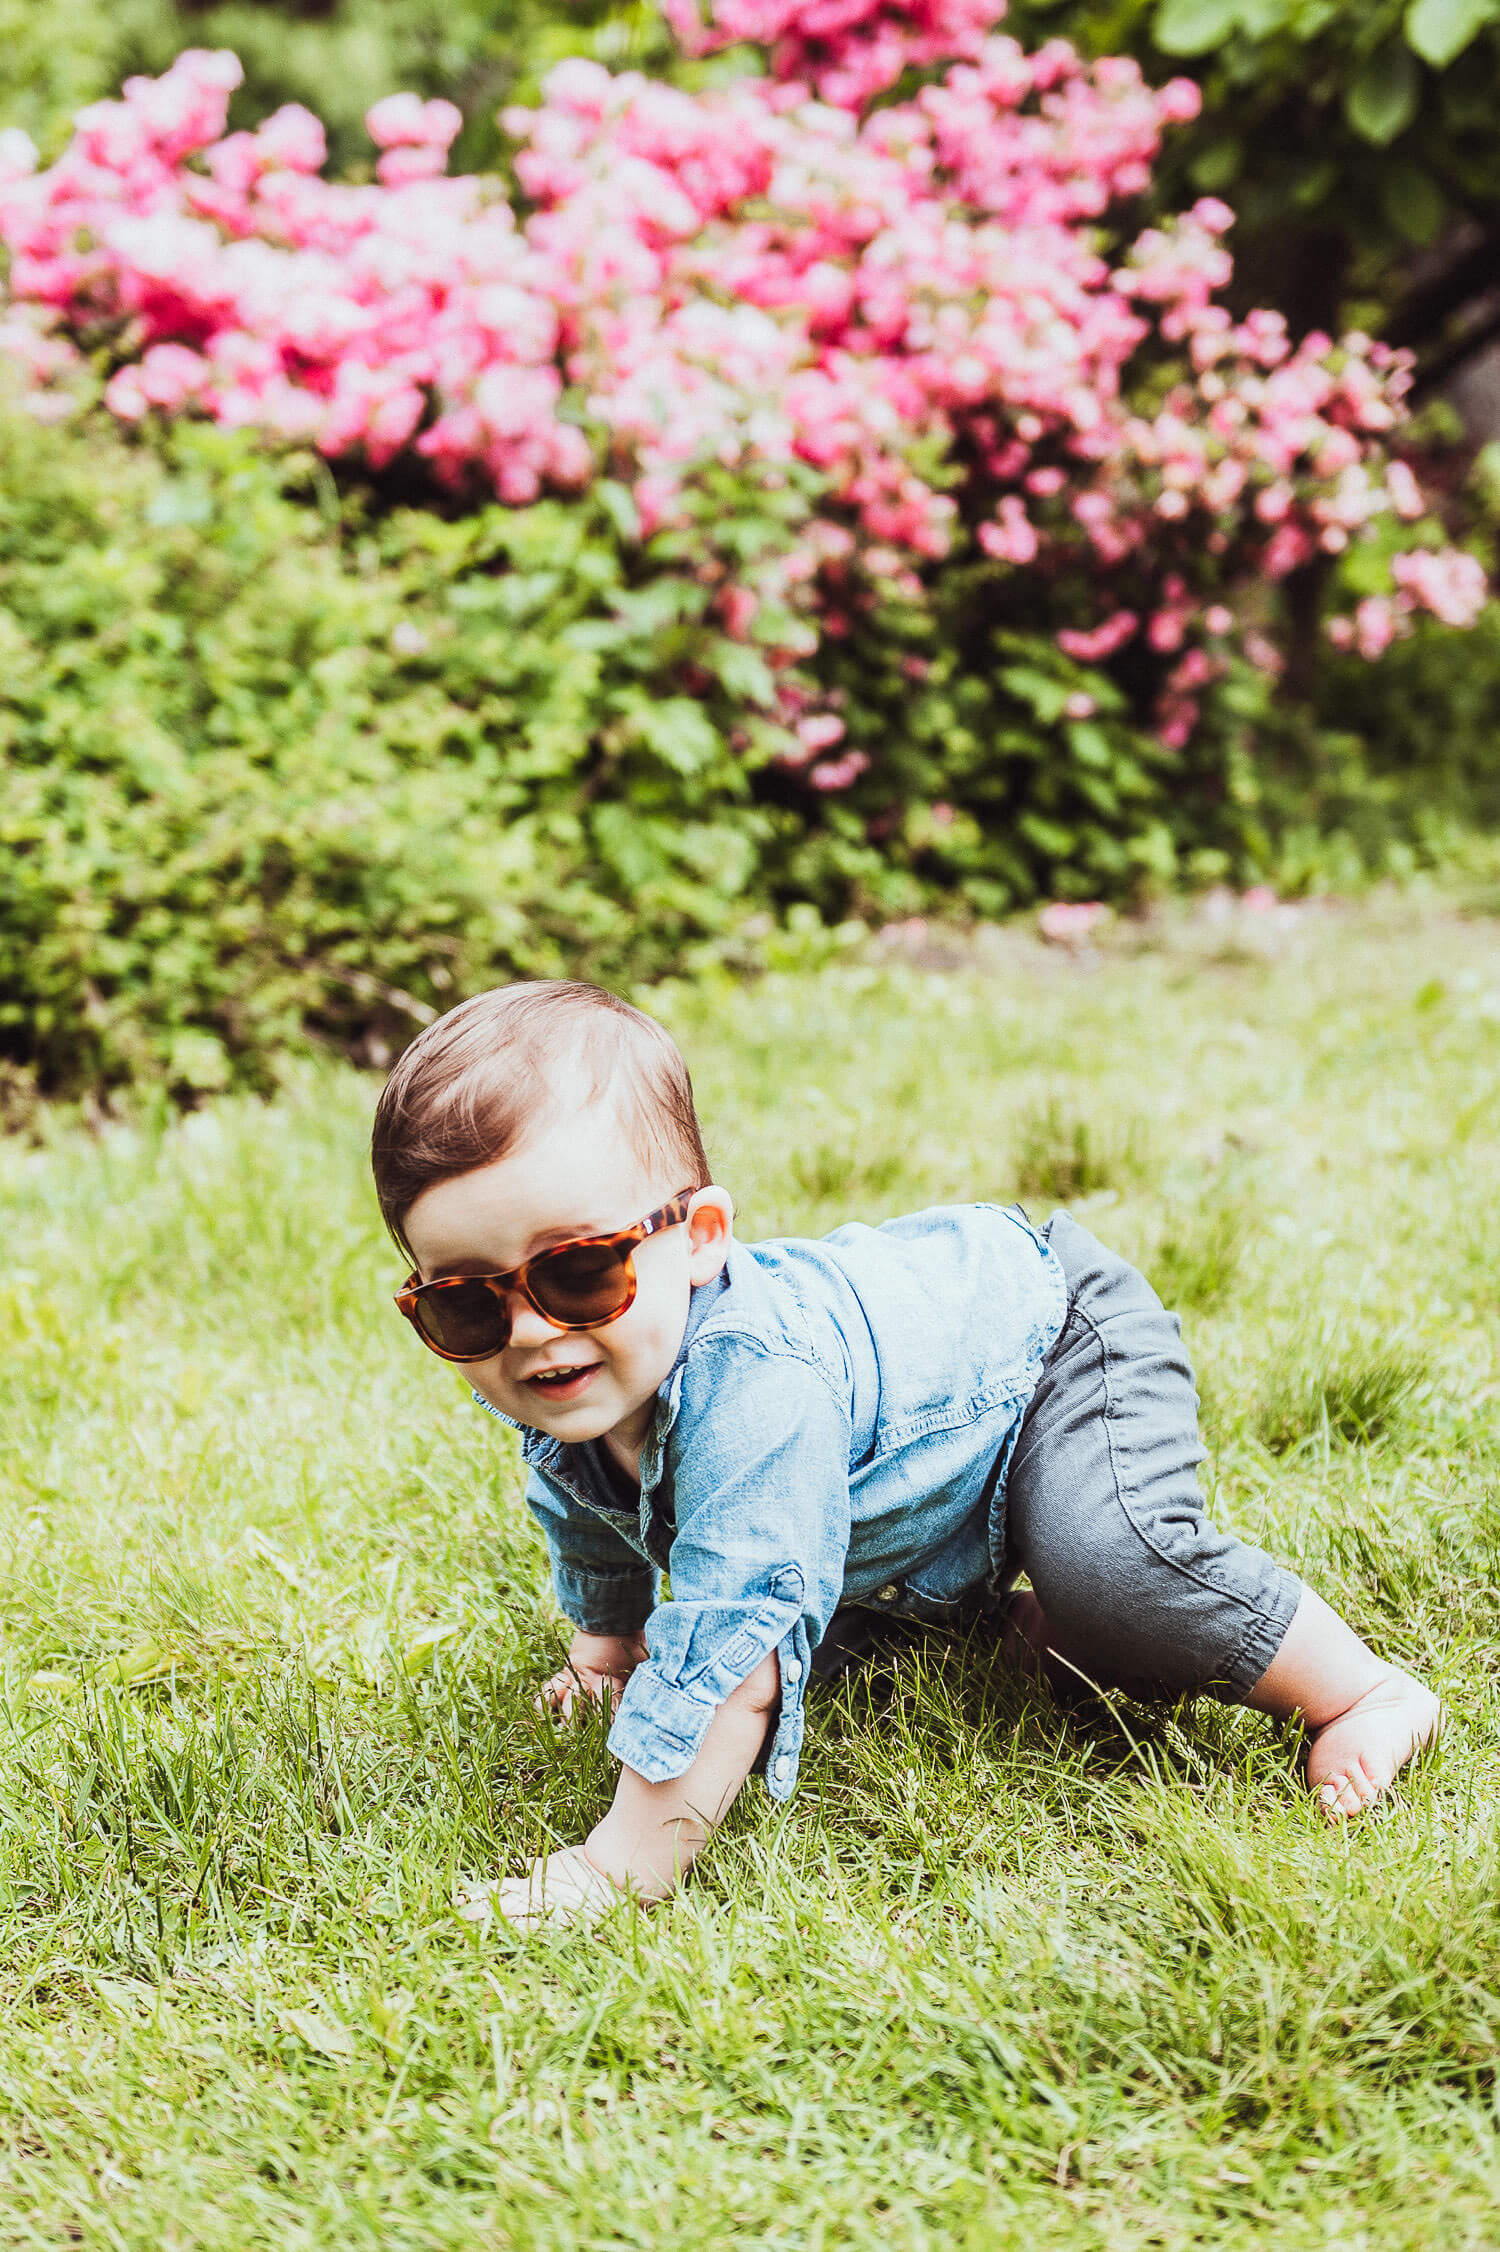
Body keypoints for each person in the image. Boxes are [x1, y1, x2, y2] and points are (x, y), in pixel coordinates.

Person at [369, 981, 1442, 1929]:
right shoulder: (579, 1374)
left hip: (1051, 1345)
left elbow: (737, 1646)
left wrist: (618, 1867)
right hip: (919, 1446)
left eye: (577, 1270)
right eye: (466, 1302)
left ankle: (1363, 1692)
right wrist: (609, 1649)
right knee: (847, 1662)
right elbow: (587, 1511)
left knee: (1112, 1568)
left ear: (699, 1239)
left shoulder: (759, 1386)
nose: (529, 1332)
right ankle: (1024, 1627)